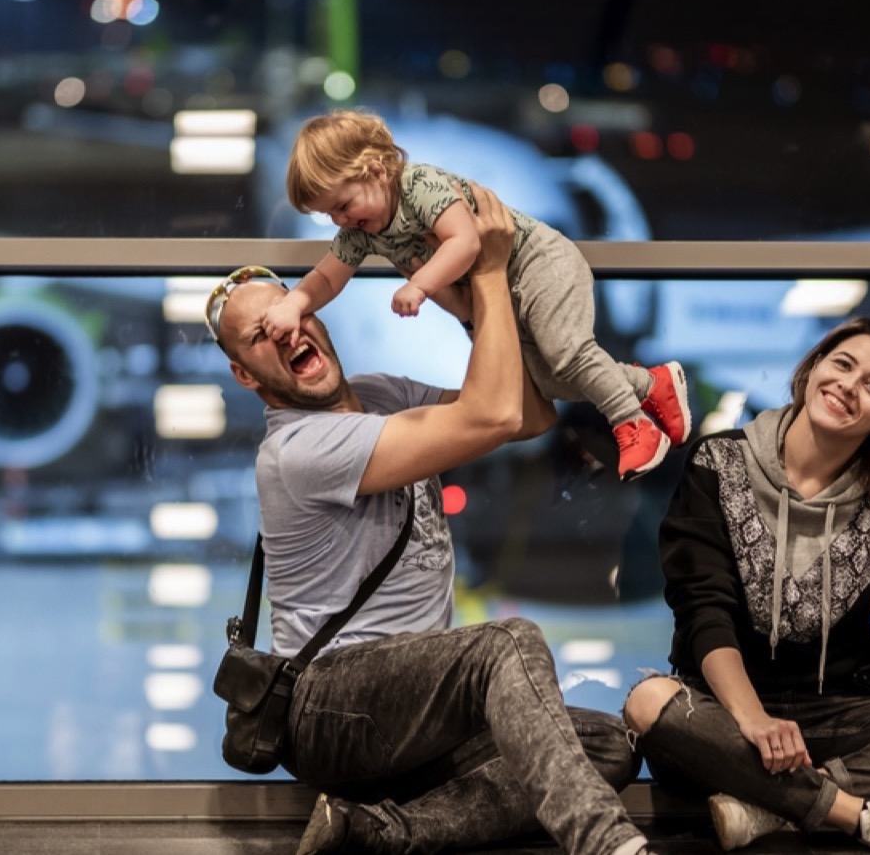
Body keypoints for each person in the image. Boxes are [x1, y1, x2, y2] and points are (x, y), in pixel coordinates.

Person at [206, 184, 654, 855]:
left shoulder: (384, 394)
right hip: (331, 704)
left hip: (414, 712)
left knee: (606, 746)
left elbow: (529, 414)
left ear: (314, 312)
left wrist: (464, 291)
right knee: (506, 643)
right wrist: (492, 272)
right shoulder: (295, 451)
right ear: (247, 375)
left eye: (286, 312)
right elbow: (497, 413)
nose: (285, 332)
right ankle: (608, 844)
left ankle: (378, 835)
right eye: (260, 338)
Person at [621, 317, 870, 855]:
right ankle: (854, 815)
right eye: (842, 364)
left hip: (840, 713)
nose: (848, 387)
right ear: (814, 367)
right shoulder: (717, 464)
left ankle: (774, 808)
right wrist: (754, 719)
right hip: (731, 716)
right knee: (650, 701)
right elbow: (704, 612)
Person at [262, 109, 690, 482]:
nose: (341, 220)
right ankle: (651, 384)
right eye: (330, 214)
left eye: (343, 205)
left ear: (375, 170)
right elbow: (328, 277)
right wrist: (296, 303)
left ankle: (632, 424)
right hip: (508, 290)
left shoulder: (418, 186)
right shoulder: (363, 231)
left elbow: (465, 242)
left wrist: (420, 285)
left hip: (538, 265)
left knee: (567, 352)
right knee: (546, 377)